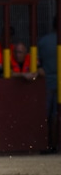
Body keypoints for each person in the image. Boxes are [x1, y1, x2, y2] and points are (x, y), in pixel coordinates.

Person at [37, 19, 58, 154]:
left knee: (45, 115)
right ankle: (55, 145)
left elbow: (37, 62)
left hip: (47, 82)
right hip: (54, 82)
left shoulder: (43, 41)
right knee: (55, 115)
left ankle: (46, 144)